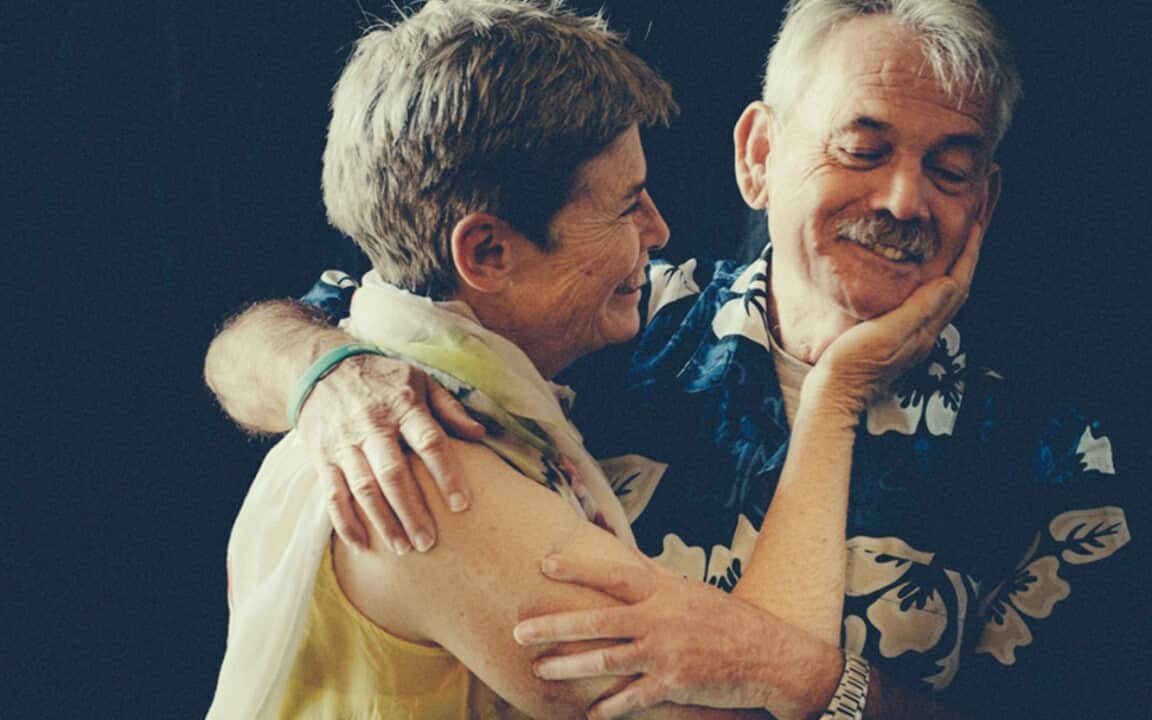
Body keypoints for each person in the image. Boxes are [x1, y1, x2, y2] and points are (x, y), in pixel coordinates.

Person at [207, 1, 1136, 718]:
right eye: (863, 149)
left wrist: (818, 684)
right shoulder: (602, 319)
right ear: (760, 154)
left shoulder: (1054, 458)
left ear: (988, 198)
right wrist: (325, 374)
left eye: (951, 168)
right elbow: (293, 333)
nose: (903, 199)